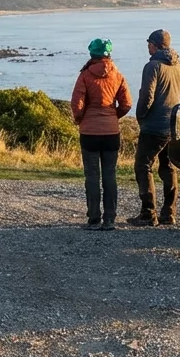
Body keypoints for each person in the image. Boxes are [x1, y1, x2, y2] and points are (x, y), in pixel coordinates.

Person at [70, 37, 131, 231]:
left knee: (92, 176)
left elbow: (76, 104)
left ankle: (94, 219)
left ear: (92, 54)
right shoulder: (118, 75)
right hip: (111, 131)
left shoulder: (85, 75)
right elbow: (127, 104)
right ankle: (110, 219)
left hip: (89, 132)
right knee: (110, 175)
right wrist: (114, 115)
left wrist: (80, 119)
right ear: (109, 54)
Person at [130, 29, 180, 226]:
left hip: (154, 126)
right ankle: (169, 213)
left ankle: (148, 213)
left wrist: (140, 116)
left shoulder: (153, 66)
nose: (147, 46)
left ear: (155, 45)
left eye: (149, 43)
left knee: (142, 165)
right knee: (168, 166)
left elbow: (147, 96)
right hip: (173, 127)